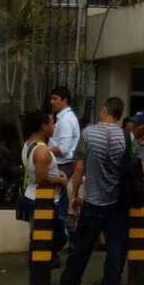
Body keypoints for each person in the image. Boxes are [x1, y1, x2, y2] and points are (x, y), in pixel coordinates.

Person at [47, 97, 133, 285]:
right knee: (115, 247)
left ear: (104, 111)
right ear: (119, 114)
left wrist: (75, 194)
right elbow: (135, 166)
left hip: (94, 201)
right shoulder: (128, 137)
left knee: (82, 248)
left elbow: (78, 167)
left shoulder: (88, 133)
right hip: (118, 201)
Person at [19, 108, 68, 262]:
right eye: (52, 123)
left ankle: (42, 266)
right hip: (44, 201)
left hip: (33, 196)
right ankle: (43, 268)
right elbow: (41, 178)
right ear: (43, 126)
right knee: (55, 238)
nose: (54, 127)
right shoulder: (42, 151)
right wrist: (60, 180)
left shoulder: (28, 145)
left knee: (41, 237)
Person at [47, 85, 81, 245]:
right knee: (60, 205)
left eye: (56, 99)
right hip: (61, 164)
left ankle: (64, 241)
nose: (52, 102)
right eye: (51, 98)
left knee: (58, 206)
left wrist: (43, 151)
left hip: (63, 165)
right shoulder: (61, 117)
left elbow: (64, 149)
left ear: (65, 100)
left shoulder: (66, 120)